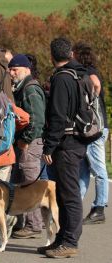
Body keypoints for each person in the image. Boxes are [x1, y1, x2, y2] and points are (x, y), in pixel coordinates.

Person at [41, 37, 88, 258]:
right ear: (70, 54)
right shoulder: (80, 74)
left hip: (66, 144)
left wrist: (49, 147)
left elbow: (58, 116)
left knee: (69, 194)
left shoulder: (61, 79)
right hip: (75, 140)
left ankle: (70, 242)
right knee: (62, 193)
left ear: (52, 56)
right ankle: (62, 238)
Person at [7, 54, 46, 239]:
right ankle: (24, 222)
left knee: (30, 183)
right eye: (10, 69)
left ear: (26, 69)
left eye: (15, 69)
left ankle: (34, 224)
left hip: (30, 143)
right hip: (25, 142)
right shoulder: (24, 87)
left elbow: (37, 120)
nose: (11, 72)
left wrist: (26, 140)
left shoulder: (30, 89)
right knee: (21, 181)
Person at [73, 42, 109, 224]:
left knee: (98, 167)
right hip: (96, 127)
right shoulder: (90, 70)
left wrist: (90, 102)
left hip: (93, 128)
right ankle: (76, 205)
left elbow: (95, 84)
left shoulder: (88, 73)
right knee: (84, 170)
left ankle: (99, 207)